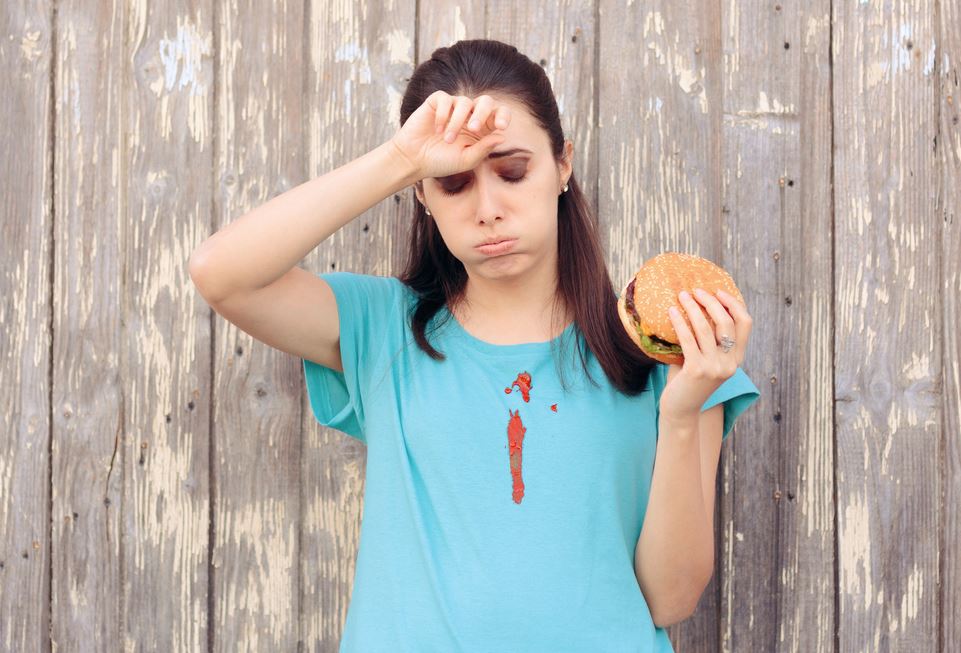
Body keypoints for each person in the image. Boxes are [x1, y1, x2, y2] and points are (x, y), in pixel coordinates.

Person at [189, 38, 760, 653]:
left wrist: (678, 417)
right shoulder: (382, 328)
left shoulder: (673, 346)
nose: (488, 208)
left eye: (513, 171)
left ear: (563, 166)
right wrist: (402, 158)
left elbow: (670, 599)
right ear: (423, 196)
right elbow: (221, 273)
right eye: (453, 184)